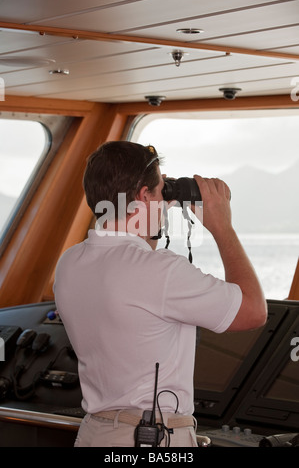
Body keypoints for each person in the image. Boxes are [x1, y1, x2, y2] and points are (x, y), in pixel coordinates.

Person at [53, 141, 267, 447]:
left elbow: (127, 258)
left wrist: (152, 210)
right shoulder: (160, 271)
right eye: (159, 190)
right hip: (149, 440)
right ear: (142, 196)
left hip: (95, 434)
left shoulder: (70, 263)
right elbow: (253, 311)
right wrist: (222, 227)